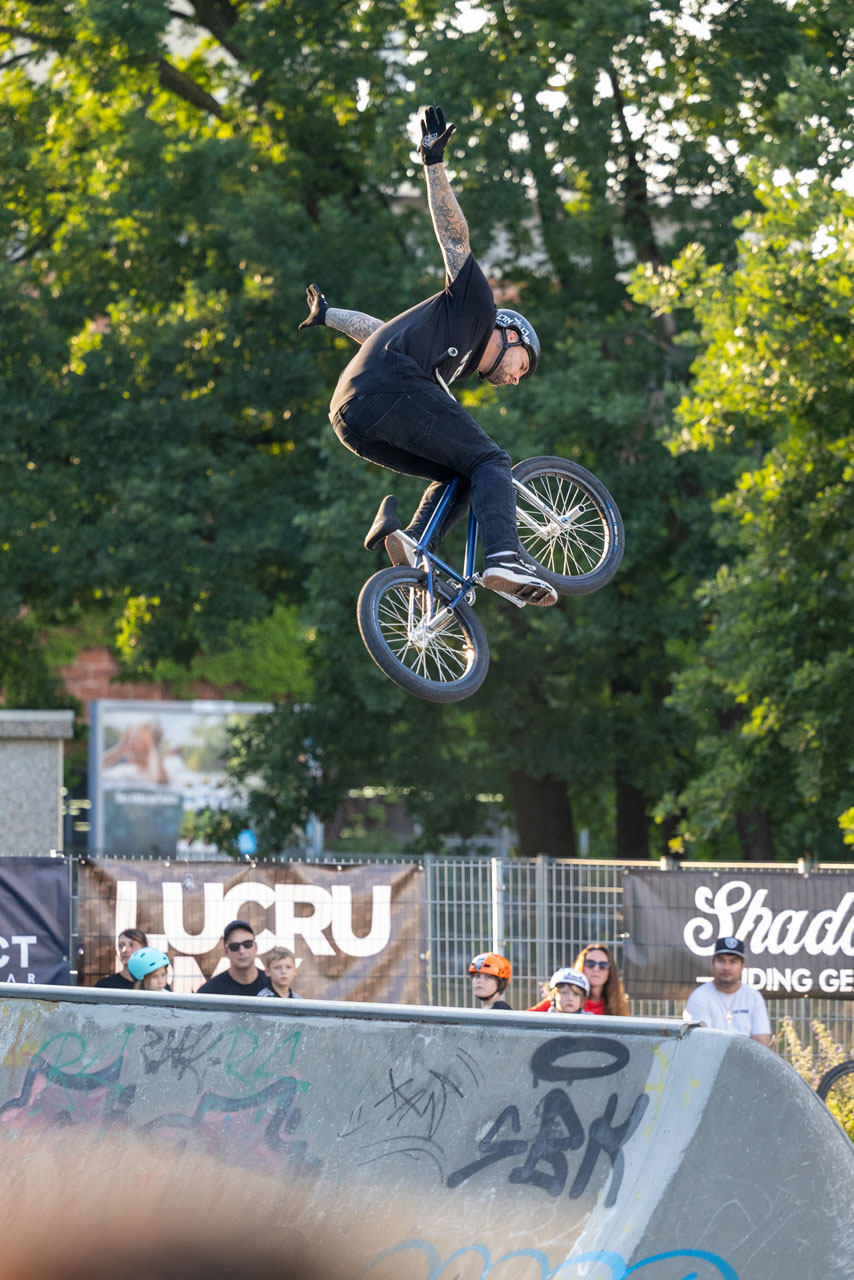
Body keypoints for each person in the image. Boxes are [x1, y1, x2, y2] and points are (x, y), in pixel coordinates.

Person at [299, 104, 557, 608]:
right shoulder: (475, 307)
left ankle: (416, 546)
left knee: (460, 471)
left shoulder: (442, 362)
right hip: (385, 392)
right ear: (508, 335)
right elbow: (454, 239)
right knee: (490, 459)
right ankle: (504, 557)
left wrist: (330, 316)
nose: (515, 379)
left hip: (352, 416)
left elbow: (376, 333)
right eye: (521, 365)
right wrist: (434, 164)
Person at [683, 936, 771, 1046]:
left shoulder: (754, 997)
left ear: (742, 966)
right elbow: (701, 1043)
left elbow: (761, 1043)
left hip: (745, 1062)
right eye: (721, 961)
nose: (726, 967)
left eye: (733, 961)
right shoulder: (699, 996)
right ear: (713, 963)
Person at [195, 920, 270, 997]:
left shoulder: (273, 984)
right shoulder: (209, 992)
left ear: (256, 947)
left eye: (247, 944)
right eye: (234, 946)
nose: (242, 951)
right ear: (226, 951)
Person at [572, 943, 629, 1016]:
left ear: (610, 971)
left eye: (603, 965)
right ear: (581, 966)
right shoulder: (564, 999)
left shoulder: (618, 1005)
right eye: (590, 964)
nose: (596, 969)